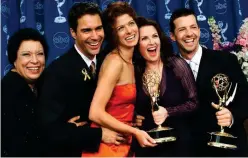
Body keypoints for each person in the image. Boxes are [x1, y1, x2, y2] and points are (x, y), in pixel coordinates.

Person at [37, 2, 124, 157]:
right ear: (73, 33)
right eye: (86, 30)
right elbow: (50, 131)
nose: (95, 36)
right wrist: (96, 135)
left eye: (98, 28)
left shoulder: (110, 60)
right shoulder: (57, 72)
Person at [169, 8, 248, 156]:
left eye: (193, 27)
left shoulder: (226, 60)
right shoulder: (168, 68)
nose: (189, 34)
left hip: (226, 149)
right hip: (188, 151)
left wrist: (232, 116)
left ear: (199, 30)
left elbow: (245, 98)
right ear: (172, 36)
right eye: (182, 29)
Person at [82, 2, 156, 157]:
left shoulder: (131, 61)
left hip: (123, 143)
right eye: (121, 28)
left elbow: (118, 102)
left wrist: (132, 117)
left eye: (131, 23)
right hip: (107, 147)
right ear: (113, 33)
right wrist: (134, 131)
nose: (129, 31)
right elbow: (95, 112)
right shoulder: (115, 62)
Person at [132, 16, 198, 157]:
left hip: (179, 146)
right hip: (147, 147)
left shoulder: (176, 65)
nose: (151, 42)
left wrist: (168, 111)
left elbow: (194, 103)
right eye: (144, 38)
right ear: (137, 45)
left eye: (155, 36)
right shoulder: (133, 71)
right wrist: (134, 116)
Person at [1, 28, 48, 157]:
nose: (35, 61)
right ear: (14, 59)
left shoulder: (43, 84)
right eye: (26, 54)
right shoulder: (6, 93)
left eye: (40, 54)